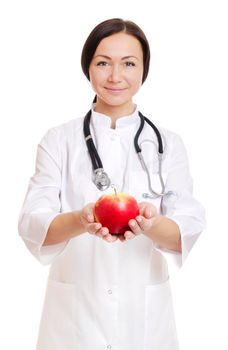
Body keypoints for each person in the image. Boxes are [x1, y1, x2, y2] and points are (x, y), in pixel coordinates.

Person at [18, 18, 206, 350]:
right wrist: (81, 220)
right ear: (87, 67)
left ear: (144, 69)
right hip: (73, 321)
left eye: (129, 64)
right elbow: (34, 225)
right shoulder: (58, 140)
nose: (115, 76)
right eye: (103, 62)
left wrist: (150, 223)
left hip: (144, 321)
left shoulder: (168, 144)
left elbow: (185, 232)